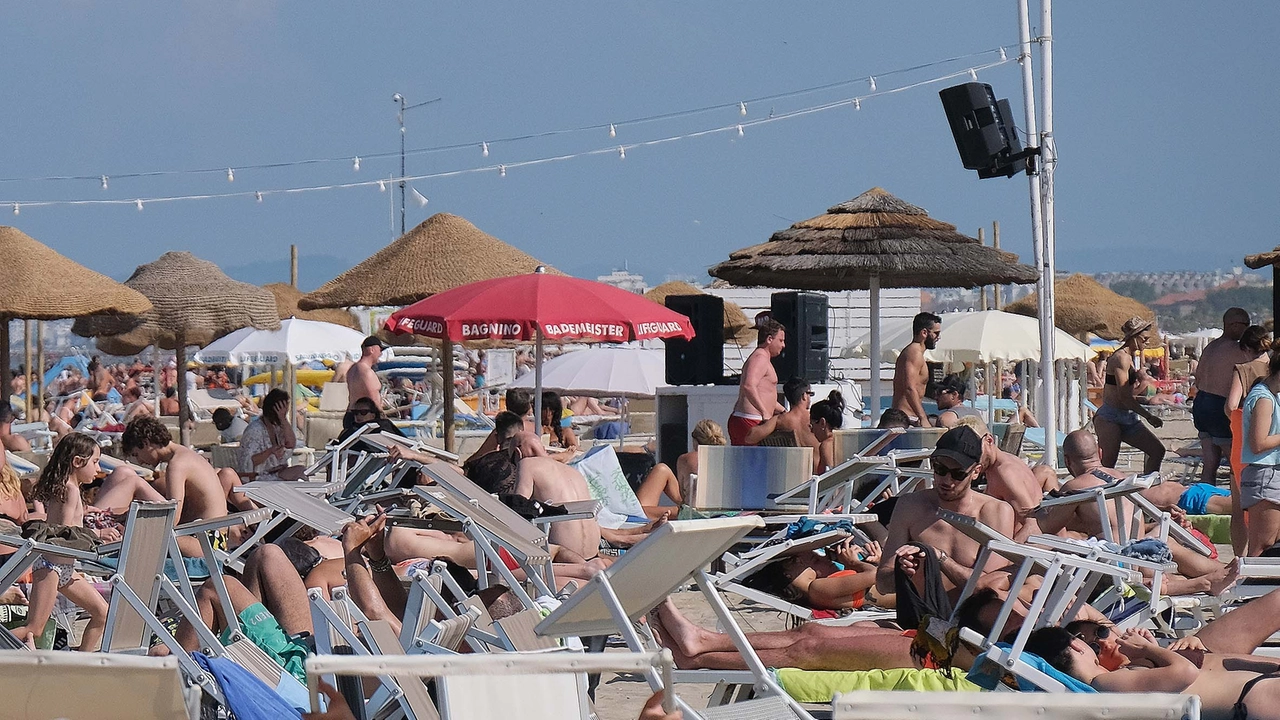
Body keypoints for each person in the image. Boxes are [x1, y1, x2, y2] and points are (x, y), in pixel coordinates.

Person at [874, 426, 1016, 620]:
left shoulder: (996, 512)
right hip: (920, 619)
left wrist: (938, 559)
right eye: (940, 469)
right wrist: (903, 571)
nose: (946, 480)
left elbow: (987, 589)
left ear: (976, 472)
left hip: (970, 624)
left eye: (957, 474)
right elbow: (882, 584)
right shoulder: (910, 505)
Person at [1025, 624, 1280, 718]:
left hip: (1255, 691)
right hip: (1252, 697)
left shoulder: (1108, 682)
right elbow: (1184, 674)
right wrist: (1148, 649)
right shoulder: (1103, 684)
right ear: (1075, 645)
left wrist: (1150, 650)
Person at [11, 433, 111, 650]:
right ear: (77, 462)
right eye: (94, 462)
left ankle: (82, 662)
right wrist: (99, 536)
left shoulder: (70, 487)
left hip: (63, 568)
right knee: (34, 628)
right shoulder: (70, 489)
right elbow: (63, 533)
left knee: (101, 613)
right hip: (51, 567)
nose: (97, 468)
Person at [113, 417, 233, 556]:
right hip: (215, 537)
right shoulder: (187, 454)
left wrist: (134, 521)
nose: (140, 461)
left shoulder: (177, 465)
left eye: (136, 454)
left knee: (134, 537)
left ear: (146, 443)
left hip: (207, 542)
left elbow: (172, 519)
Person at [951, 416, 1044, 542]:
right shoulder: (1005, 462)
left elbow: (1033, 524)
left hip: (1016, 547)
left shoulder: (1005, 474)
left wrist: (1007, 555)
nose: (971, 458)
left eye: (975, 451)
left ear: (989, 440)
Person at [741, 537, 894, 613]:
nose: (824, 558)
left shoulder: (822, 587)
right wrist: (854, 563)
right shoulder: (817, 589)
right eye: (815, 559)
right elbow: (874, 575)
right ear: (787, 572)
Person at [1093, 317, 1165, 474]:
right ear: (1135, 337)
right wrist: (1148, 416)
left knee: (1157, 451)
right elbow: (1124, 397)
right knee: (1107, 466)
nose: (1146, 343)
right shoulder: (1121, 358)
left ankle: (1148, 489)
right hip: (1111, 416)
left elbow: (1126, 393)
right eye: (1144, 339)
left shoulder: (1130, 358)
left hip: (1126, 415)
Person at [1224, 326, 1272, 555]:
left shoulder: (1243, 369)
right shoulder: (1274, 370)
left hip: (1245, 445)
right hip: (1272, 446)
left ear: (1245, 348)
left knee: (1239, 508)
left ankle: (1239, 559)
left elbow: (1231, 406)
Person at [1194, 307, 1253, 485]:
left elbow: (1198, 379)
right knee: (1235, 460)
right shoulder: (1236, 349)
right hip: (1219, 405)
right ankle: (1239, 503)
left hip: (1201, 402)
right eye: (1246, 325)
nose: (1247, 330)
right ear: (1234, 325)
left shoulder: (1211, 347)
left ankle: (1204, 498)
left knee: (1210, 462)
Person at [635, 419, 725, 513]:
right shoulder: (727, 459)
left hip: (695, 513)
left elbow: (683, 495)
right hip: (725, 512)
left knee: (660, 469)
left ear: (695, 440)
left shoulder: (686, 459)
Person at [1240, 349, 1280, 555]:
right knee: (1261, 547)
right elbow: (1258, 443)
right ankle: (1237, 585)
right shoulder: (1264, 398)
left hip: (1269, 474)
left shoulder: (1273, 395)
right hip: (1266, 474)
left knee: (1269, 546)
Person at [728, 319, 786, 445]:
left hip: (750, 418)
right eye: (781, 340)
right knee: (754, 462)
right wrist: (764, 412)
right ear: (769, 339)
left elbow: (763, 394)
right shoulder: (760, 357)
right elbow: (748, 386)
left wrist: (783, 411)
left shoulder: (763, 358)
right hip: (751, 419)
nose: (783, 345)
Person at [238, 389, 306, 482]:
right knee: (298, 476)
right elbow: (249, 461)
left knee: (302, 472)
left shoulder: (278, 427)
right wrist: (270, 451)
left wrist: (283, 419)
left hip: (277, 471)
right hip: (258, 476)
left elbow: (291, 444)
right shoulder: (255, 430)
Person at [891, 312, 941, 427]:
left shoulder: (915, 353)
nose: (938, 338)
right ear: (924, 332)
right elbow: (909, 388)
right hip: (905, 418)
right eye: (936, 333)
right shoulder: (914, 353)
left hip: (910, 417)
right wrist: (923, 418)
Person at [467, 388, 536, 463]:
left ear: (507, 406)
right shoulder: (536, 428)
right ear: (529, 408)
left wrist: (466, 463)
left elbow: (481, 454)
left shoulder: (505, 429)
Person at [743, 377, 814, 448]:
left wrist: (764, 423)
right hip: (814, 459)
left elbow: (750, 438)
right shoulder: (817, 419)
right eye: (810, 394)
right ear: (804, 396)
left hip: (790, 458)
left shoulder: (780, 420)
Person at [808, 392, 845, 474]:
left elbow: (830, 478)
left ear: (822, 423)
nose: (812, 430)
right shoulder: (843, 441)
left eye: (812, 425)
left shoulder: (826, 445)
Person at [346, 336, 385, 411]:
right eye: (380, 350)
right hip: (364, 415)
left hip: (351, 413)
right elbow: (373, 398)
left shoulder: (352, 369)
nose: (380, 354)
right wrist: (381, 415)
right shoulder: (366, 372)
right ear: (371, 350)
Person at [540, 390, 580, 458]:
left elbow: (577, 453)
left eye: (541, 408)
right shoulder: (533, 428)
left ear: (550, 411)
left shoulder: (566, 431)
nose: (535, 410)